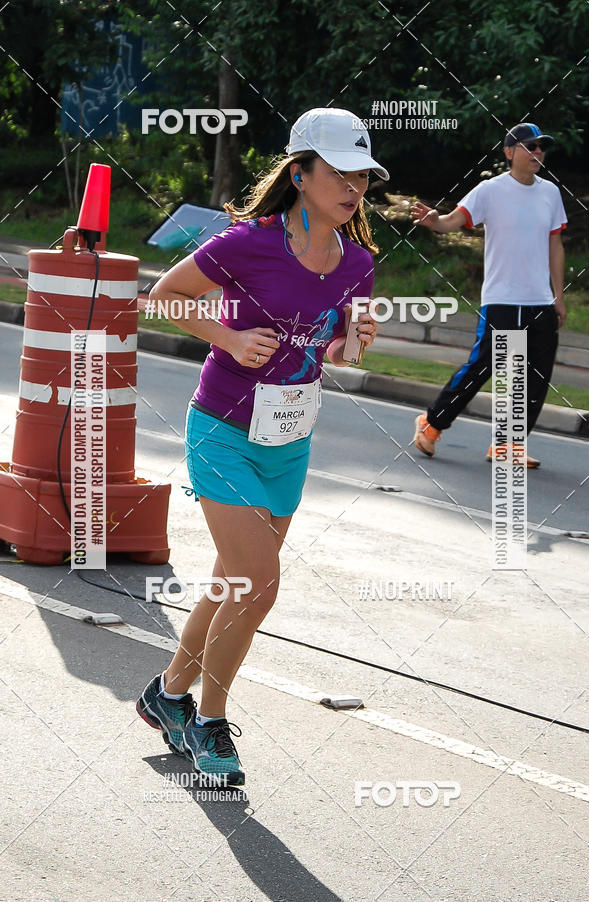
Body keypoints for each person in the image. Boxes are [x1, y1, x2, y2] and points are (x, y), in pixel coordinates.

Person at [136, 108, 388, 786]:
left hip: (289, 440)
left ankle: (167, 694)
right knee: (258, 584)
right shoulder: (249, 243)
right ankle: (210, 721)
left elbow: (330, 346)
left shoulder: (357, 262)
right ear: (301, 173)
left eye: (361, 176)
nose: (353, 187)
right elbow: (166, 295)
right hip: (223, 428)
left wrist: (354, 340)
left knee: (230, 584)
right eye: (339, 173)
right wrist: (230, 339)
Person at [410, 122, 567, 468]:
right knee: (482, 367)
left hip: (540, 300)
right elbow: (453, 221)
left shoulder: (550, 194)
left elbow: (555, 244)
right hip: (501, 299)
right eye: (530, 146)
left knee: (535, 377)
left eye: (542, 147)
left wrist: (558, 295)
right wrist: (435, 221)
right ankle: (432, 423)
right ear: (510, 152)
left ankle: (508, 445)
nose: (538, 152)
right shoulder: (489, 190)